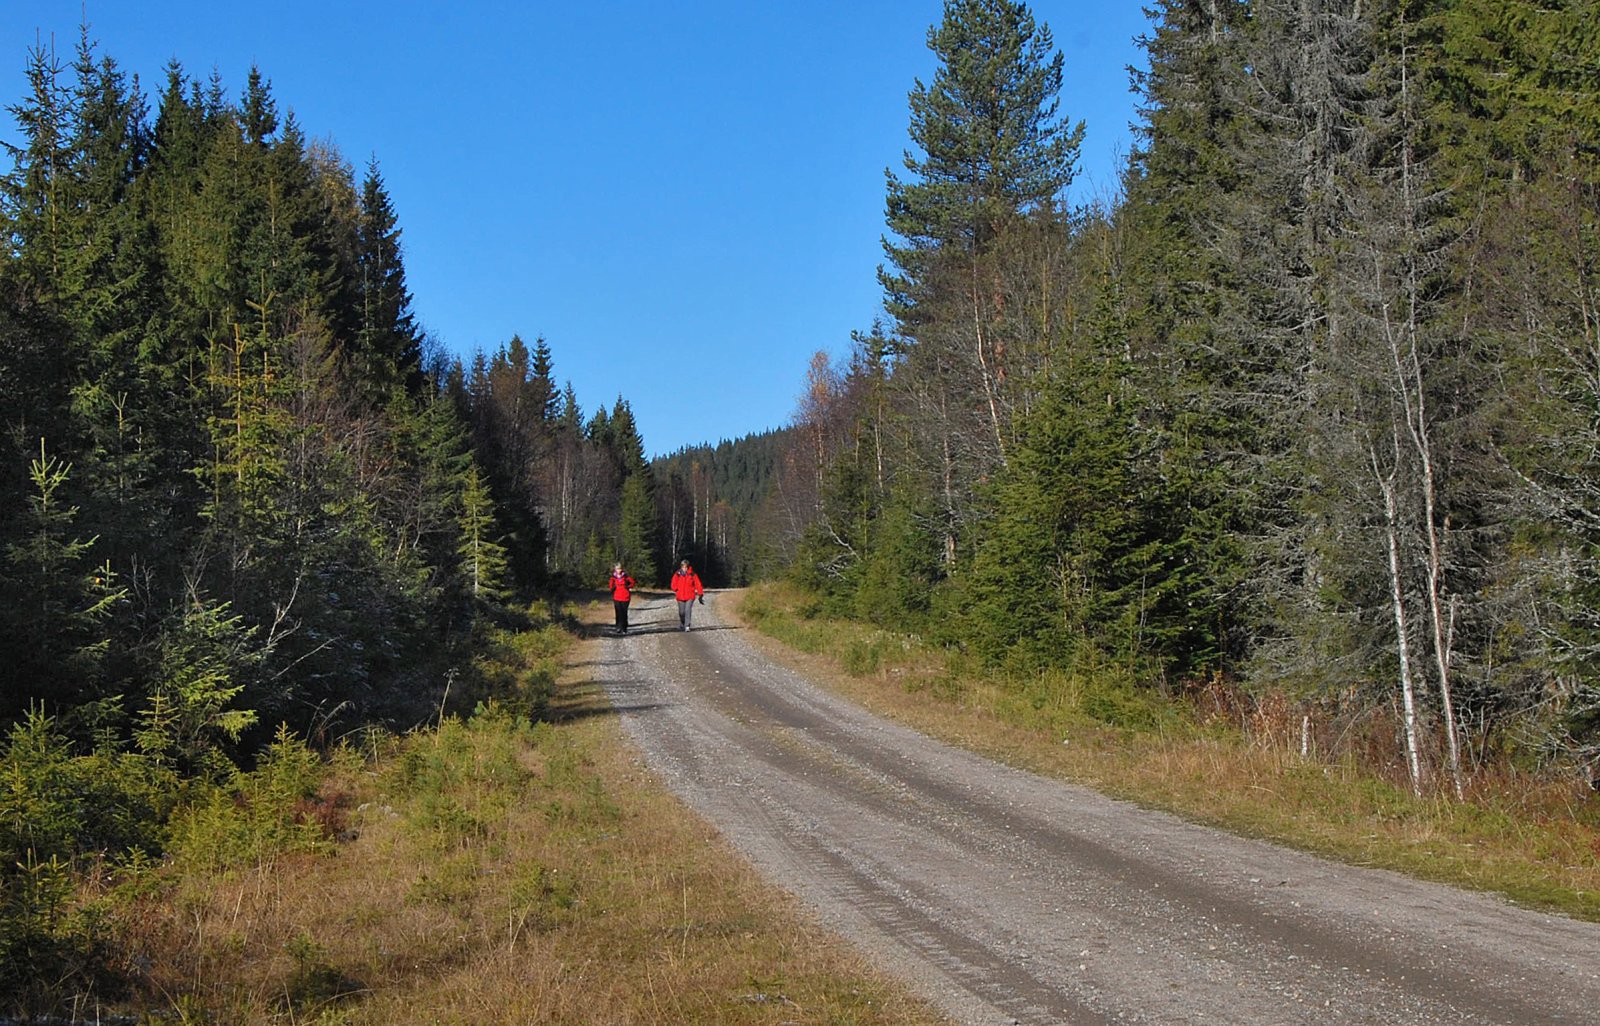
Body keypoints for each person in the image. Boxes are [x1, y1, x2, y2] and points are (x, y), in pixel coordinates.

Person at [670, 559, 705, 631]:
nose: (684, 568)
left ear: (688, 567)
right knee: (681, 612)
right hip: (680, 596)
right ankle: (682, 623)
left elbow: (698, 584)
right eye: (683, 567)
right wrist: (675, 589)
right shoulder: (677, 574)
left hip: (690, 596)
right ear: (681, 567)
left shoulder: (692, 574)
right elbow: (673, 583)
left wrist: (700, 593)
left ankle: (687, 626)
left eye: (685, 567)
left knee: (687, 610)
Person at [607, 563, 637, 635]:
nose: (619, 570)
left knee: (624, 613)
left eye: (620, 569)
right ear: (615, 569)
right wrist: (613, 588)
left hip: (625, 597)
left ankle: (624, 628)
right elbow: (610, 586)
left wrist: (628, 586)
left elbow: (633, 583)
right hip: (617, 597)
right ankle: (618, 627)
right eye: (617, 569)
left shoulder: (626, 576)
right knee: (618, 612)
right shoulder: (613, 578)